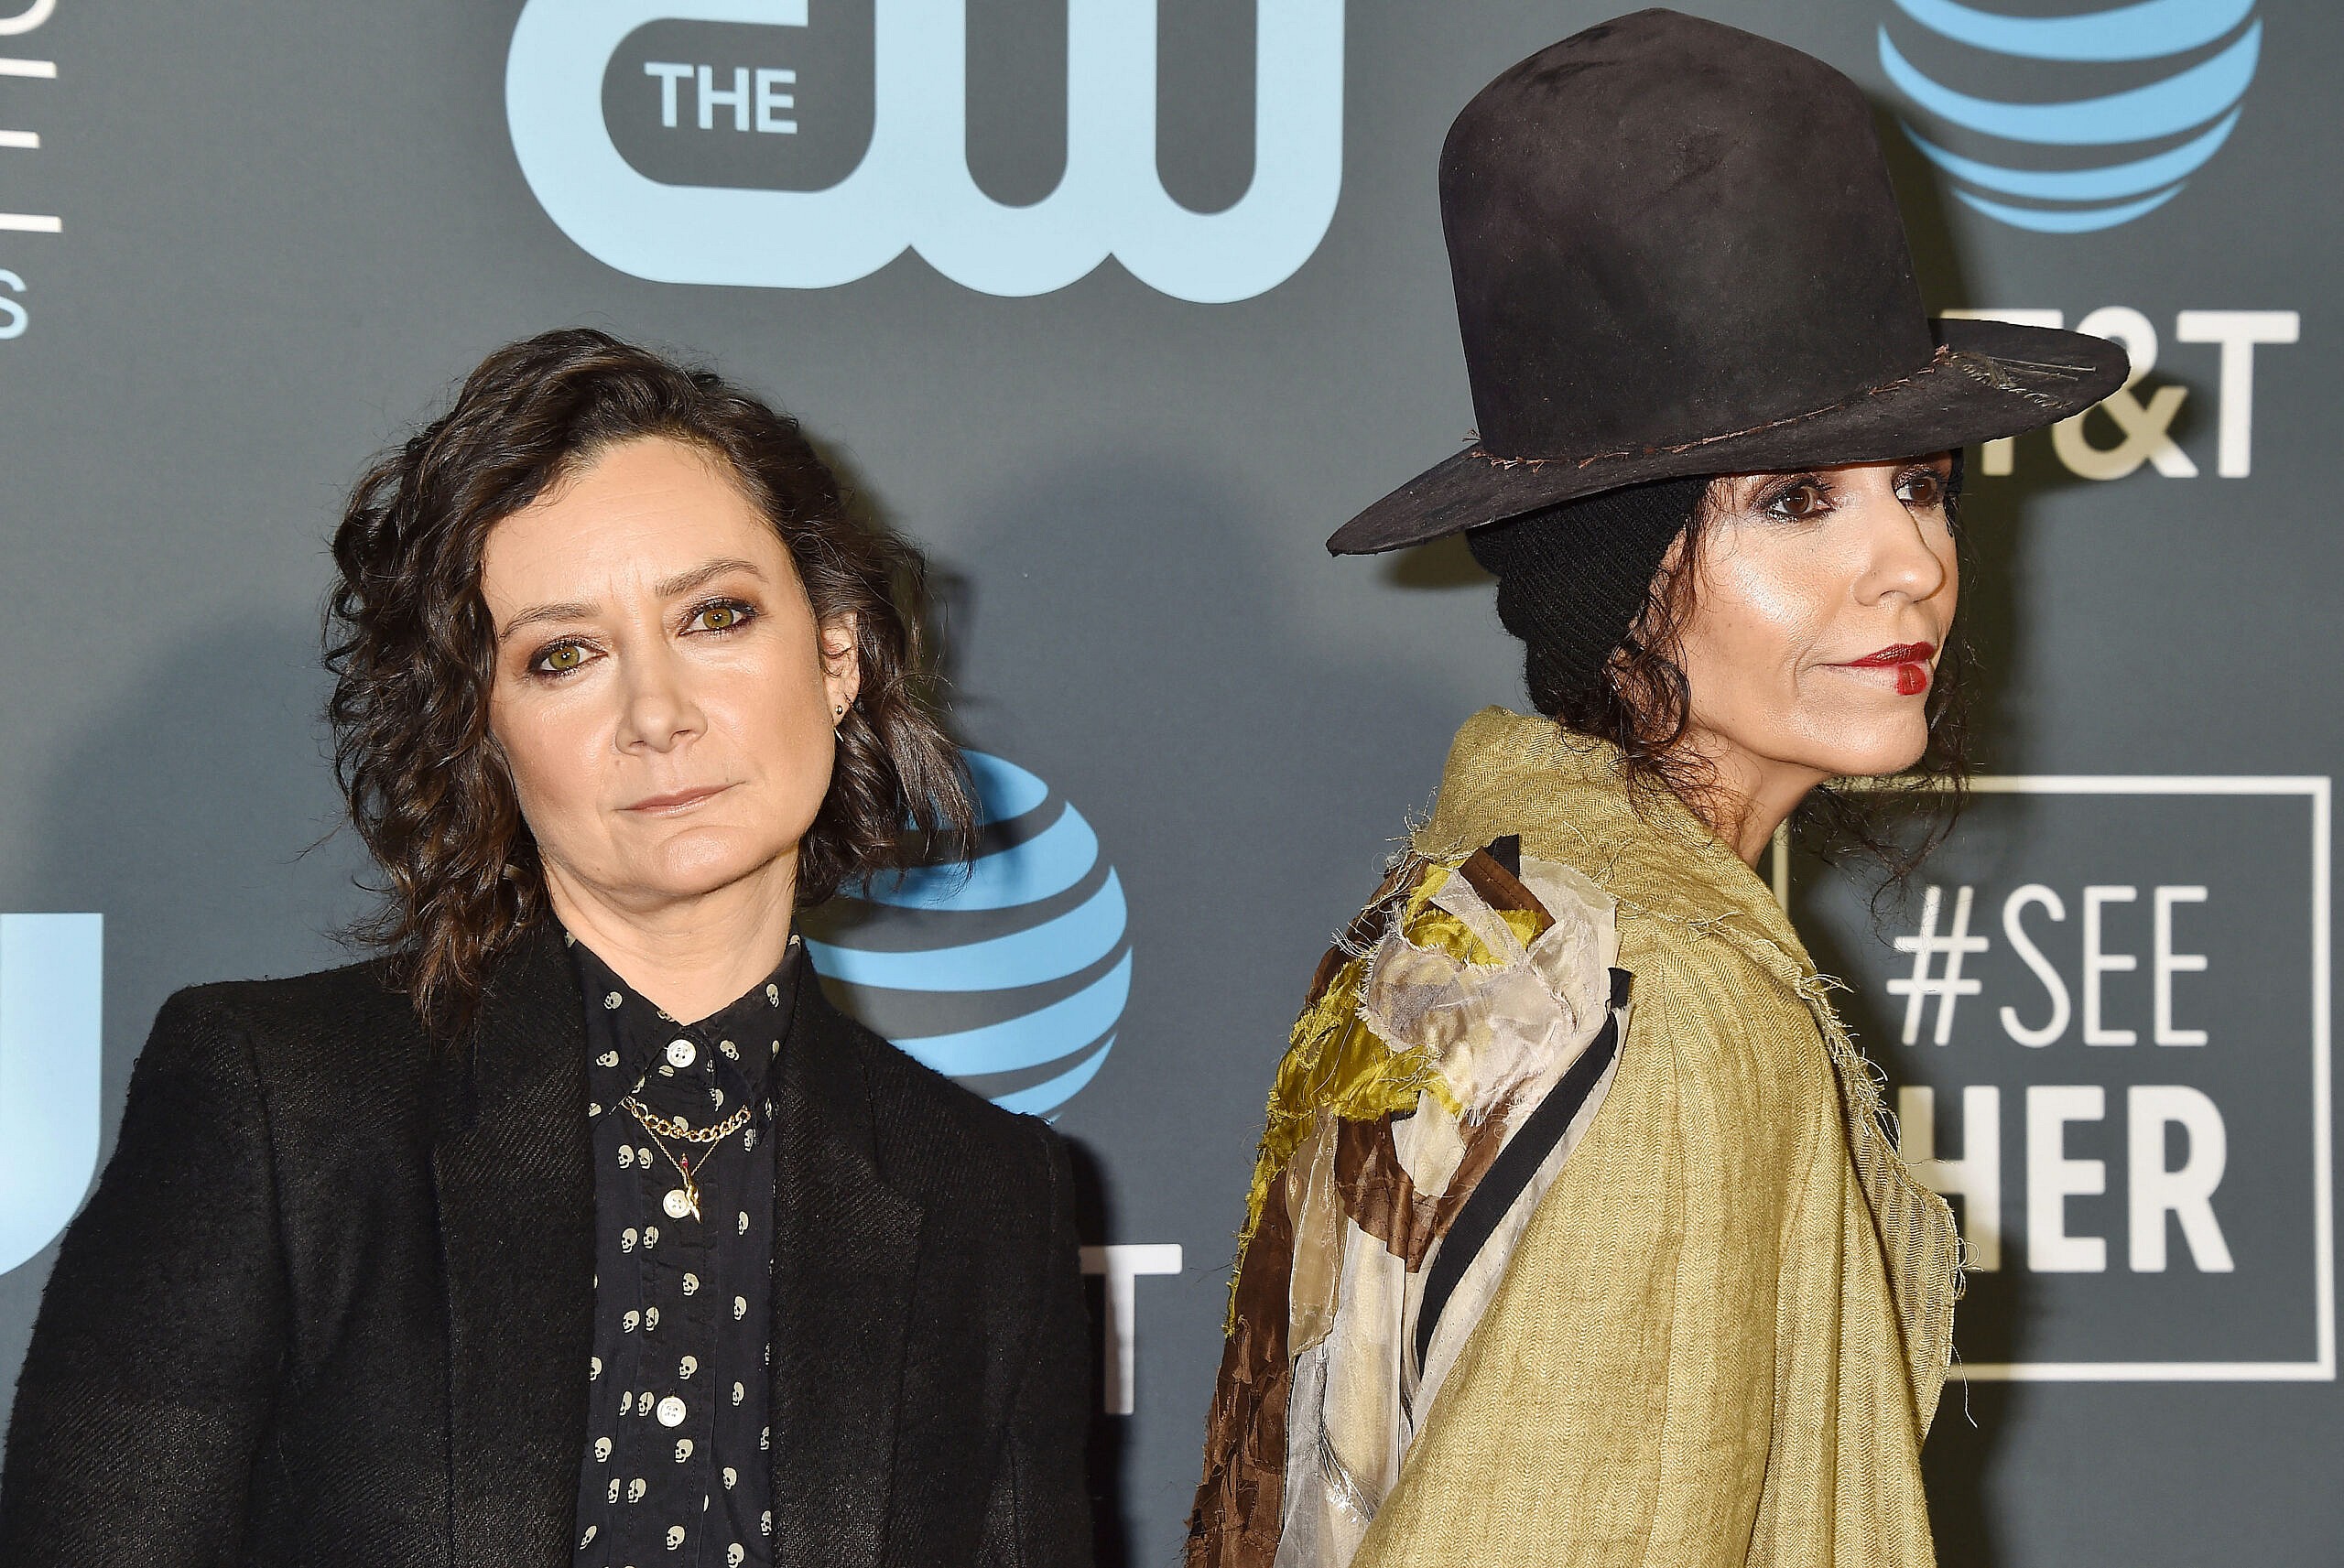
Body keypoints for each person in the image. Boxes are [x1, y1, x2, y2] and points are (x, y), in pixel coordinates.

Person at [1186, 13, 2126, 1568]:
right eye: (1797, 499)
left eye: (1921, 483)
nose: (1911, 562)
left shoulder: (1477, 916)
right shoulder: (1669, 1012)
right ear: (1609, 577)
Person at [0, 329, 1093, 1568]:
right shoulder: (279, 1109)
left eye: (716, 616)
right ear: (486, 729)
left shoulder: (988, 1193)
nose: (658, 716)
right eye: (563, 655)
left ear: (835, 655)